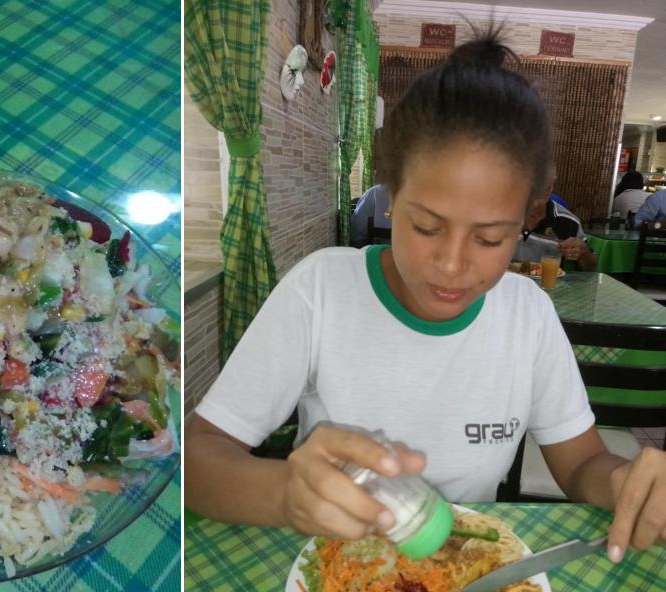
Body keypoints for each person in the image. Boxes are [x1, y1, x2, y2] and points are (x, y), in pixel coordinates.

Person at [185, 32, 665, 564]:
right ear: (390, 197)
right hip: (333, 569)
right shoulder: (321, 290)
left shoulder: (527, 315)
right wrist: (283, 494)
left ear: (526, 222)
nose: (453, 265)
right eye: (427, 226)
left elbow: (580, 466)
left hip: (463, 577)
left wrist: (626, 482)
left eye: (489, 239)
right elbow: (198, 464)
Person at [513, 184, 597, 271]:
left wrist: (583, 254)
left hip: (546, 282)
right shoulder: (501, 211)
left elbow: (590, 268)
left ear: (548, 190)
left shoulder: (568, 222)